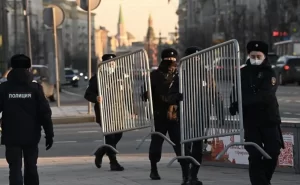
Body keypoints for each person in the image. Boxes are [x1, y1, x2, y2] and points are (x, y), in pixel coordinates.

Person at [229, 41, 284, 185]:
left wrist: (243, 102)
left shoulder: (270, 73)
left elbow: (265, 95)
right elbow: (235, 91)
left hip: (269, 119)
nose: (255, 58)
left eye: (258, 56)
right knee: (254, 154)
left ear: (264, 56)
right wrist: (234, 104)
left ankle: (264, 181)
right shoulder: (242, 72)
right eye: (252, 55)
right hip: (251, 121)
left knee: (273, 152)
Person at [0, 54, 54, 185]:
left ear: (11, 67)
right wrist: (49, 134)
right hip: (31, 135)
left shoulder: (4, 88)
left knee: (14, 168)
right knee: (31, 166)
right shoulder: (35, 88)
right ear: (29, 68)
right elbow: (45, 113)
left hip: (11, 135)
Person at [143, 48, 189, 184]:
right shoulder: (155, 75)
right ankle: (153, 168)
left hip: (175, 115)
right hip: (160, 115)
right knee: (156, 143)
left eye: (174, 60)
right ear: (163, 60)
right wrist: (148, 95)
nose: (171, 62)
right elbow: (147, 93)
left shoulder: (179, 75)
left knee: (180, 145)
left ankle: (186, 174)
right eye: (168, 60)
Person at [183, 46, 224, 185]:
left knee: (197, 147)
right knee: (185, 147)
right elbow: (171, 96)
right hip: (185, 117)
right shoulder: (180, 74)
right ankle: (186, 175)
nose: (196, 59)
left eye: (198, 57)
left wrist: (220, 114)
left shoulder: (205, 73)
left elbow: (215, 94)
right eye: (193, 57)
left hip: (201, 116)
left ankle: (193, 175)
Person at [84, 54, 125, 171]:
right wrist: (96, 98)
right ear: (104, 64)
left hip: (118, 112)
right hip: (104, 112)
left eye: (113, 62)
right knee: (110, 137)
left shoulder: (120, 76)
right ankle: (113, 162)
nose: (112, 64)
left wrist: (131, 110)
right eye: (109, 62)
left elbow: (126, 93)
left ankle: (101, 151)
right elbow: (88, 94)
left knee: (118, 135)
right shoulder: (98, 78)